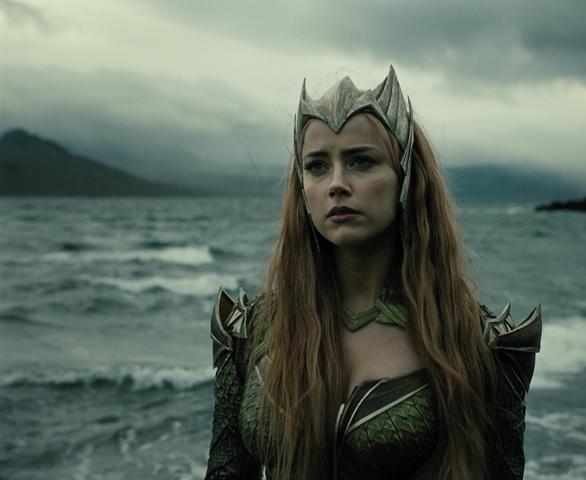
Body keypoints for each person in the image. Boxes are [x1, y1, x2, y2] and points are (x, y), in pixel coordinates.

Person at [204, 66, 542, 480]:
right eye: (317, 166)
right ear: (301, 187)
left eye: (361, 161)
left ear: (406, 176)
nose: (337, 184)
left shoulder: (475, 339)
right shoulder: (252, 328)